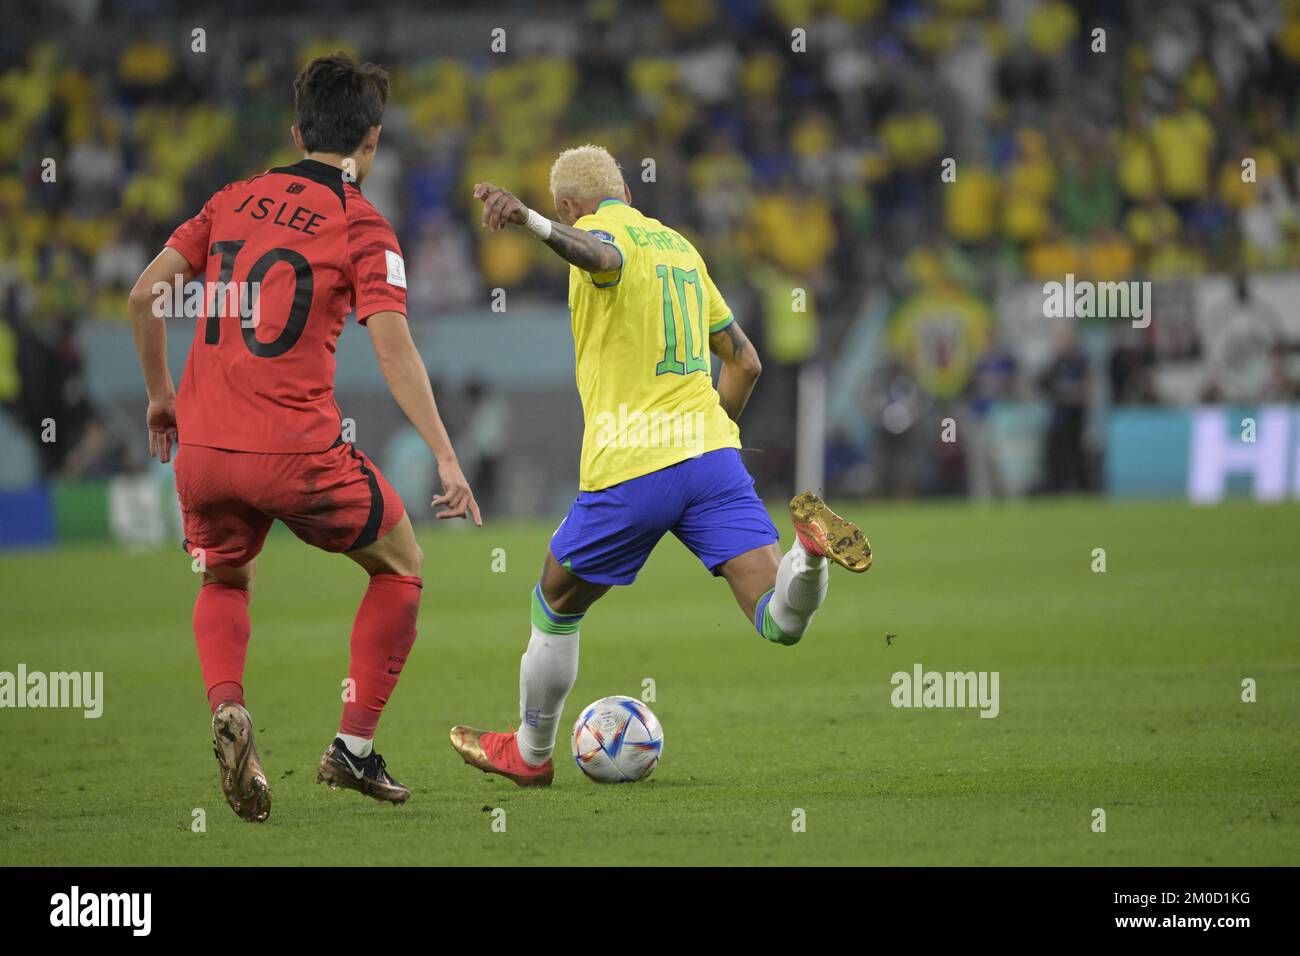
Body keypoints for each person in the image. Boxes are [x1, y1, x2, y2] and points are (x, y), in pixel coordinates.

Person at [127, 53, 480, 822]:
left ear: (296, 131)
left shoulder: (231, 198)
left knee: (224, 579)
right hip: (296, 454)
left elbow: (144, 294)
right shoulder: (364, 225)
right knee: (401, 566)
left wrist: (161, 399)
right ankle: (352, 749)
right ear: (373, 142)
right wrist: (448, 457)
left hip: (205, 453)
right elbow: (393, 347)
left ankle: (230, 707)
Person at [448, 145, 870, 786]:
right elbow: (746, 362)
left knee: (555, 602)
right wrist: (716, 432)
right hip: (711, 457)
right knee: (779, 621)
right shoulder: (680, 247)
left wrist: (531, 223)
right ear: (622, 189)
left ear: (568, 205)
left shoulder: (597, 234)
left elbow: (601, 257)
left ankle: (531, 755)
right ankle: (809, 552)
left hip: (633, 462)